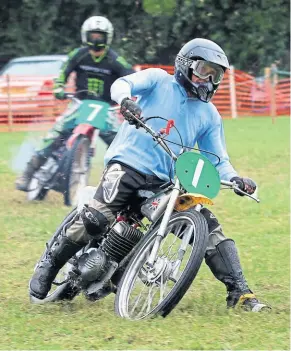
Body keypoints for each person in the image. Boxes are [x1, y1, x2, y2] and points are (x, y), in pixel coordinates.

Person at [29, 38, 269, 312]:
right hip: (126, 166)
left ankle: (240, 293)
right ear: (185, 65)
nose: (210, 80)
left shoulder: (210, 115)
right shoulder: (158, 80)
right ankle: (50, 264)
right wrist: (126, 101)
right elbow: (121, 84)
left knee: (209, 228)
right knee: (96, 218)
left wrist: (237, 179)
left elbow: (218, 160)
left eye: (216, 75)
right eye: (204, 70)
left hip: (166, 183)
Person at [16, 16, 134, 192]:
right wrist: (58, 87)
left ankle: (125, 182)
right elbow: (63, 73)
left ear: (107, 37)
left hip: (106, 109)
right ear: (85, 36)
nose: (96, 40)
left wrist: (129, 98)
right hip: (80, 104)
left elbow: (132, 78)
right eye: (93, 36)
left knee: (120, 144)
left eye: (100, 36)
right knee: (55, 133)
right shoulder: (78, 55)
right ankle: (28, 172)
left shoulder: (116, 60)